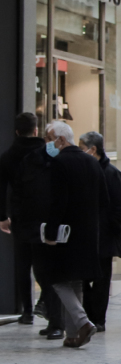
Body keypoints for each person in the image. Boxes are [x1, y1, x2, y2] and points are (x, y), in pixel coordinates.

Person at [35, 121, 107, 348]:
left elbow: (57, 202)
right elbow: (103, 199)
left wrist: (51, 233)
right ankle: (73, 334)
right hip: (88, 232)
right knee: (75, 280)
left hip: (65, 233)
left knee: (55, 278)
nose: (48, 144)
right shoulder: (91, 162)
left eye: (49, 139)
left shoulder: (59, 163)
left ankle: (82, 322)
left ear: (61, 140)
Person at [77, 131, 121, 332]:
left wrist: (111, 228)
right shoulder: (84, 171)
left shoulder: (111, 174)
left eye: (82, 148)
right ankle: (88, 316)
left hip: (104, 237)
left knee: (100, 281)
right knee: (82, 279)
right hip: (85, 236)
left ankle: (98, 319)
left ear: (93, 150)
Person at [0, 112, 46, 326]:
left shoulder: (8, 156)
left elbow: (1, 189)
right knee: (44, 262)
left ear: (17, 131)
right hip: (44, 215)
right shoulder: (46, 152)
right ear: (36, 130)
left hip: (20, 216)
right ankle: (46, 303)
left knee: (22, 264)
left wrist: (2, 217)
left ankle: (27, 310)